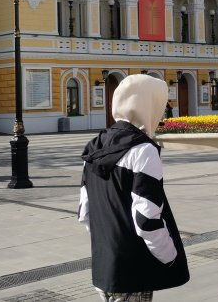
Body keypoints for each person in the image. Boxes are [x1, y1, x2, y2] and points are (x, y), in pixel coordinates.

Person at [78, 75, 189, 301]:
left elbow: (85, 212)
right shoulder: (143, 150)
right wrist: (170, 256)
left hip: (105, 263)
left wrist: (109, 241)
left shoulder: (94, 145)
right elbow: (146, 221)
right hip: (134, 266)